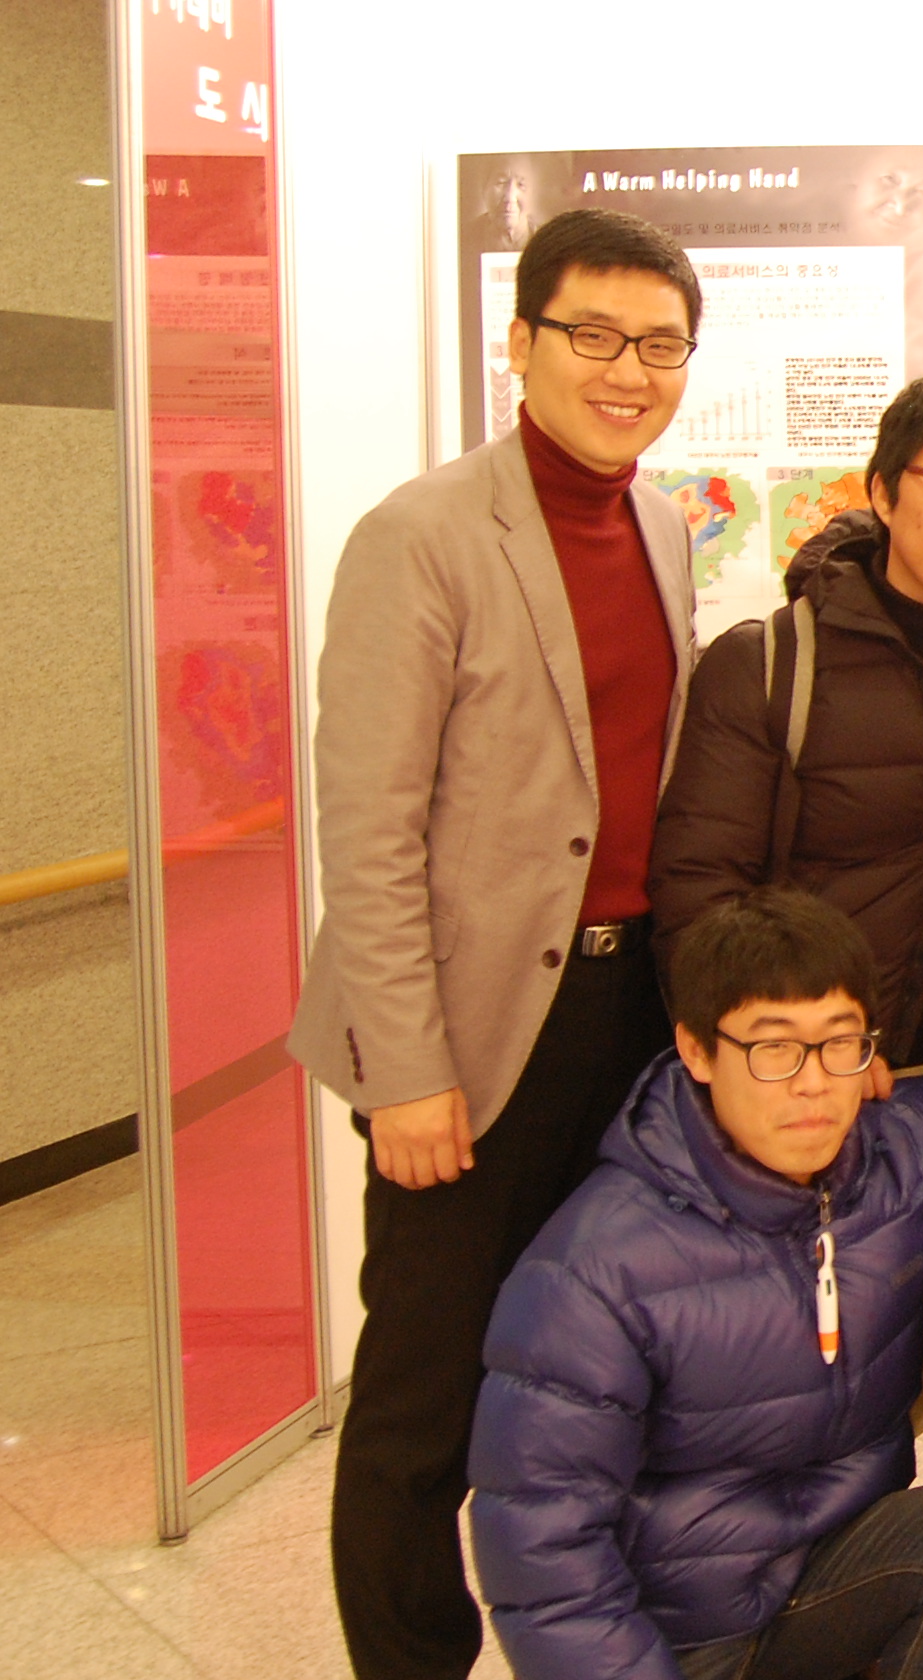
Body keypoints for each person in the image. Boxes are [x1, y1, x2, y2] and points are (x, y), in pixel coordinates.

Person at [286, 207, 700, 1680]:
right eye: (593, 335)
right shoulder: (424, 534)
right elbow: (370, 829)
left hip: (625, 1014)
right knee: (424, 1393)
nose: (628, 371)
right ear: (518, 344)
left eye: (660, 345)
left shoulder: (662, 523)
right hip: (468, 1030)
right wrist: (407, 1072)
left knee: (592, 1367)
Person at [468, 887, 923, 1680]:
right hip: (682, 1639)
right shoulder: (593, 1270)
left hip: (829, 1585)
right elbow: (544, 1559)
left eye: (840, 1043)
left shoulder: (888, 1154)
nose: (814, 1083)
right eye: (774, 1049)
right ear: (697, 1051)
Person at [650, 367, 923, 1068]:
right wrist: (802, 1049)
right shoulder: (767, 665)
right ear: (882, 492)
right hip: (819, 1071)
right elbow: (699, 893)